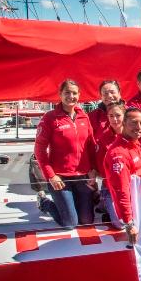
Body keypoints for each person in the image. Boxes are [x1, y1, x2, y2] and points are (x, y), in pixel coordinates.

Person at [35, 79, 97, 228]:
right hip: (60, 178)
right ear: (60, 95)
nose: (71, 96)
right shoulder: (50, 118)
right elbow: (40, 150)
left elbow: (90, 145)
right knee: (70, 223)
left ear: (79, 95)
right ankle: (44, 202)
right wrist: (51, 176)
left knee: (87, 221)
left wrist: (93, 169)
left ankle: (70, 204)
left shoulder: (84, 117)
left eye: (74, 93)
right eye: (67, 92)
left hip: (82, 176)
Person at [103, 108, 141, 244]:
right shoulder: (119, 154)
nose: (138, 127)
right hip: (132, 212)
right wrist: (129, 222)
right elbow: (121, 190)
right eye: (134, 123)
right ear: (124, 123)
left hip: (140, 205)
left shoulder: (135, 145)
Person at [94, 102, 126, 227]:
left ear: (125, 116)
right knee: (120, 224)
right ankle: (104, 202)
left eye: (118, 115)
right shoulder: (103, 138)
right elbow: (101, 167)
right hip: (111, 187)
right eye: (111, 116)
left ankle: (104, 205)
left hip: (131, 185)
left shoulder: (134, 134)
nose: (114, 119)